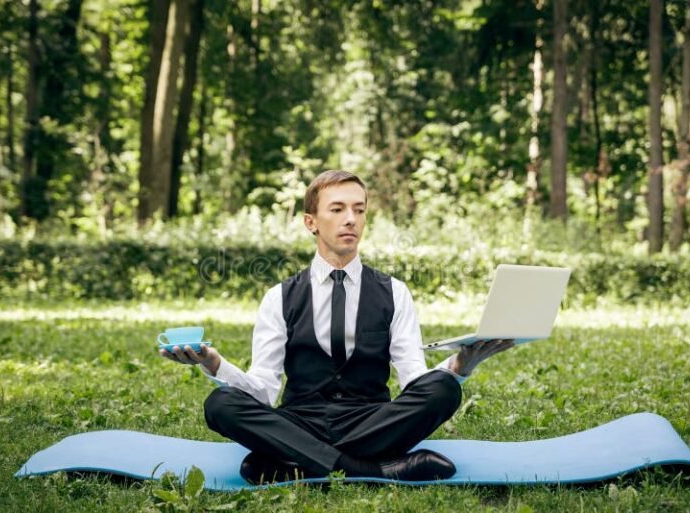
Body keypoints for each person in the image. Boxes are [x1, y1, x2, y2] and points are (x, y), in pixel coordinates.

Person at [160, 170, 514, 484]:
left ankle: (290, 463)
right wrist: (214, 363)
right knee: (221, 403)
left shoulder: (394, 293)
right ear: (311, 222)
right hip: (301, 422)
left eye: (359, 210)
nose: (351, 220)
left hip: (372, 423)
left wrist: (459, 367)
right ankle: (372, 471)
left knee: (444, 389)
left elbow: (414, 382)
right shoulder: (278, 298)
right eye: (338, 209)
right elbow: (263, 392)